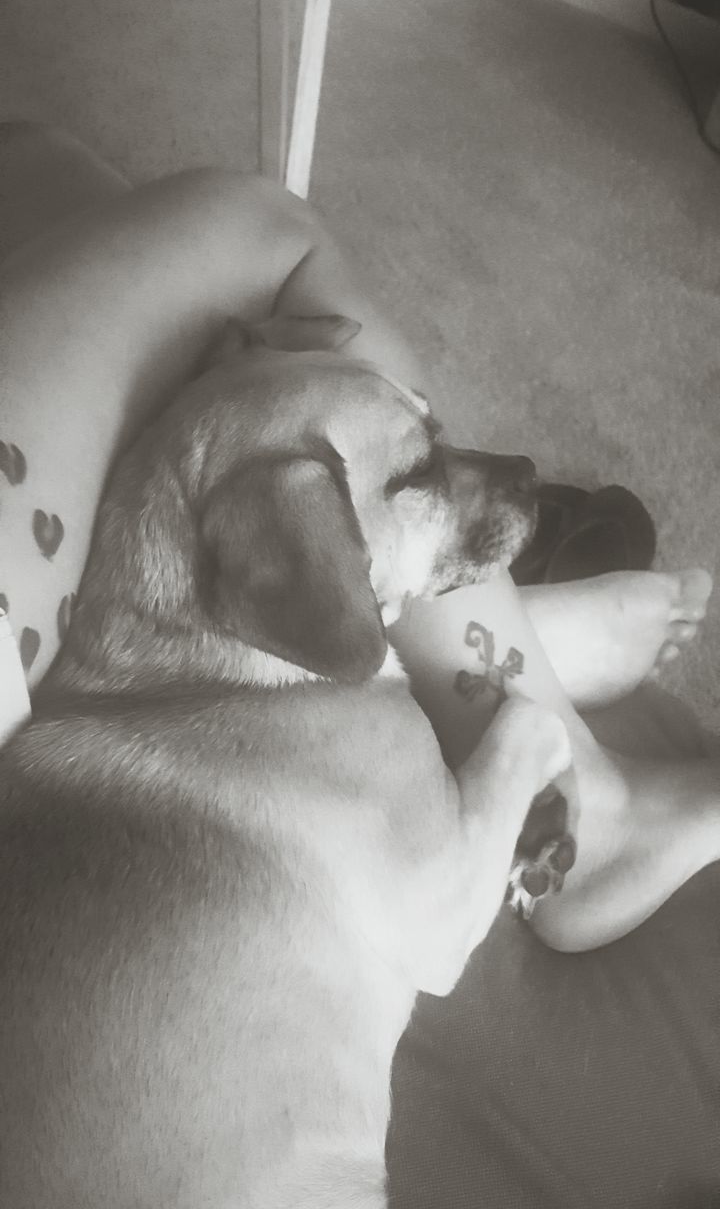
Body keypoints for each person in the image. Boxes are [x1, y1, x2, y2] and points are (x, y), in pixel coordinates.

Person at [1, 121, 719, 1203]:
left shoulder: (128, 698)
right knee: (256, 230)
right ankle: (558, 732)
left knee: (60, 175)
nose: (497, 470)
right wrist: (521, 740)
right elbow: (439, 936)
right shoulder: (327, 688)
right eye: (426, 467)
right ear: (298, 565)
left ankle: (534, 639)